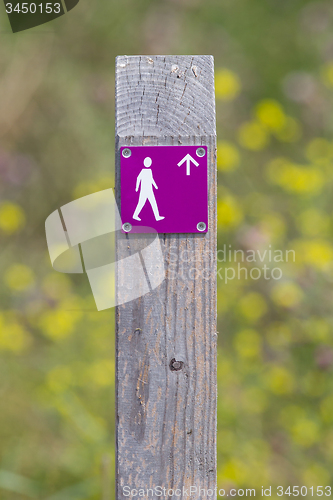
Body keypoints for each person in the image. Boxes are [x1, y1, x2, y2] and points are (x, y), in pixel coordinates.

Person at [133, 157, 165, 221]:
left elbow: (151, 179)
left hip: (150, 190)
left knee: (153, 203)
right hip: (144, 190)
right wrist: (137, 187)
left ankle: (157, 217)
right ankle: (135, 215)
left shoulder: (150, 170)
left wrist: (155, 186)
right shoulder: (143, 171)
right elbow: (138, 178)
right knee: (141, 203)